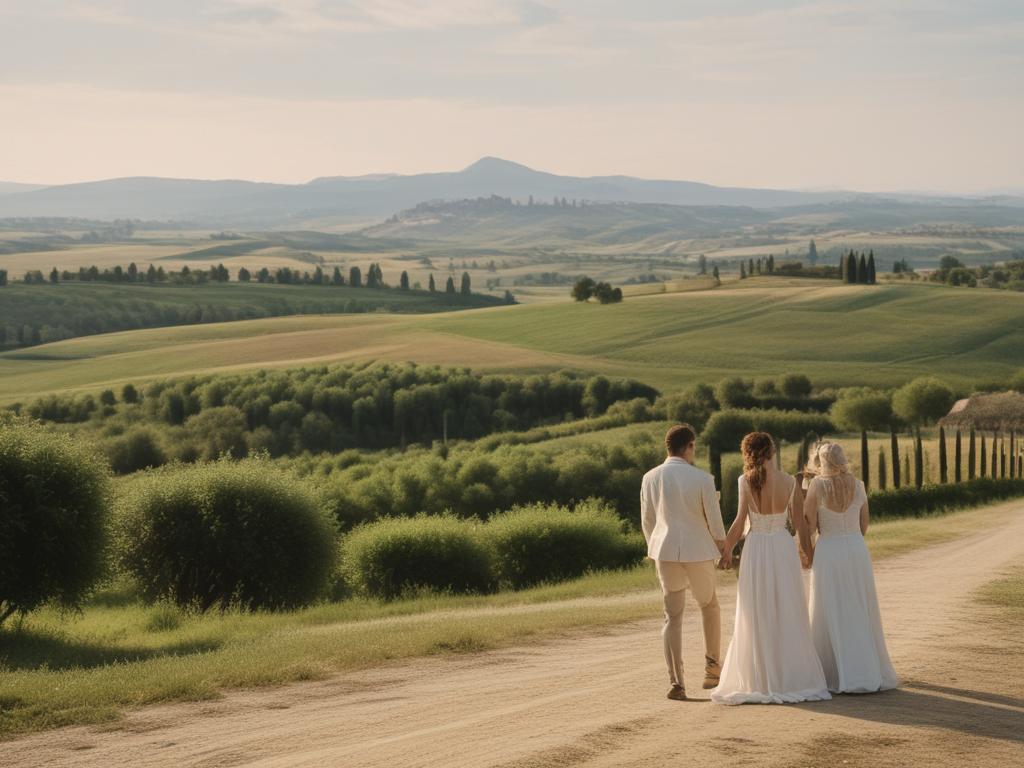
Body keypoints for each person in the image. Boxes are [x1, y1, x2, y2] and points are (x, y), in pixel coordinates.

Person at [711, 432, 831, 705]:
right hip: (781, 547)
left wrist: (727, 550)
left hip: (756, 550)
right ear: (771, 452)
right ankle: (789, 675)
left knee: (756, 609)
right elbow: (800, 523)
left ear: (749, 453)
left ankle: (760, 677)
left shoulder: (745, 481)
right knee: (786, 607)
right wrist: (808, 553)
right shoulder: (790, 481)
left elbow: (740, 523)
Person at [803, 442, 899, 693]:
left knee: (830, 607)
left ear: (821, 462)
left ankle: (832, 671)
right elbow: (864, 524)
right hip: (856, 550)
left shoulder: (816, 486)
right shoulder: (858, 485)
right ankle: (865, 668)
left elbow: (810, 526)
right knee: (859, 605)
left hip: (829, 552)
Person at [640, 424, 726, 701]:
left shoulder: (650, 477)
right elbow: (715, 522)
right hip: (699, 551)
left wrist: (652, 547)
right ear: (689, 446)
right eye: (693, 447)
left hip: (665, 551)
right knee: (709, 605)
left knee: (672, 616)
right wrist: (723, 548)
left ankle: (676, 681)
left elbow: (648, 521)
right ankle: (712, 669)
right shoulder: (702, 478)